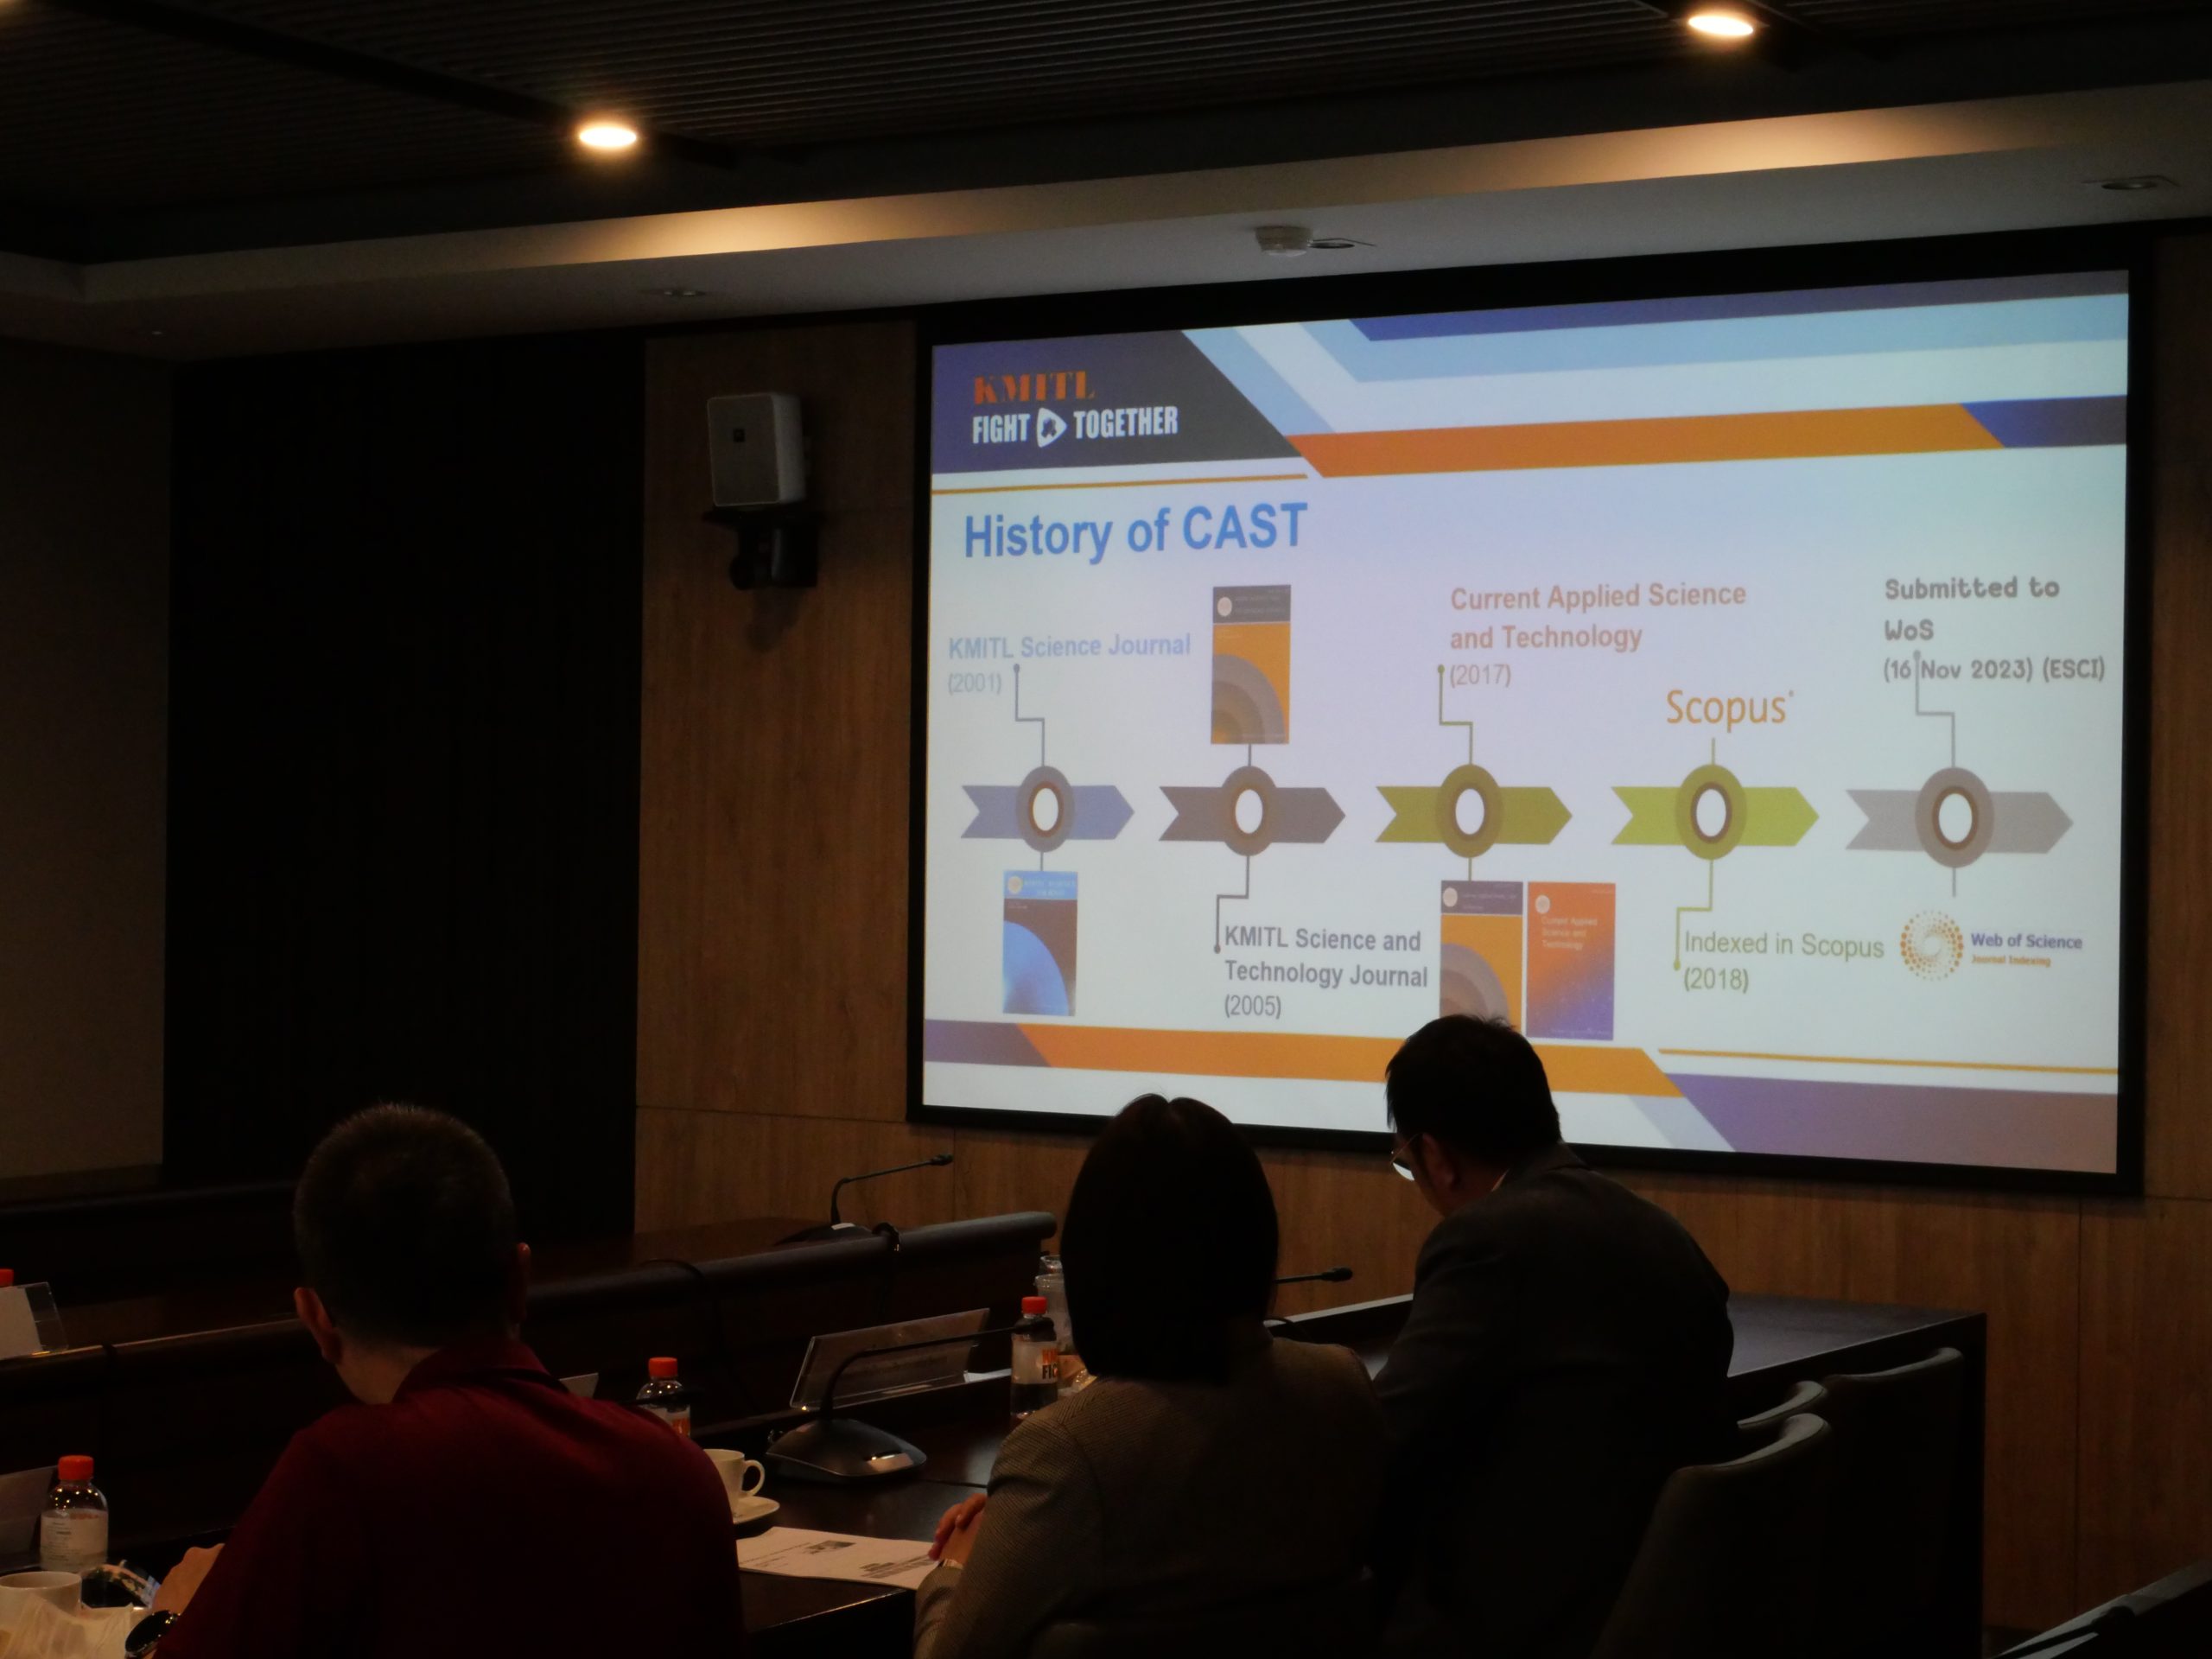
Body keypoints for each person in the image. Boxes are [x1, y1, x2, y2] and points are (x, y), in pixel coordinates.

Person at [134, 1105, 745, 1659]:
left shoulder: (346, 1472)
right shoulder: (677, 1470)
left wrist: (171, 1622)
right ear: (521, 1281)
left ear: (316, 1319)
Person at [913, 1094, 1385, 1659]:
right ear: (1257, 1242)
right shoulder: (1340, 1388)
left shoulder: (1067, 1451)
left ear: (1097, 1261)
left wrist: (956, 1567)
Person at [1373, 1015, 1735, 1659]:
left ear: (1437, 1157)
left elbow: (1387, 1440)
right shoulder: (1662, 1230)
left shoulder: (1485, 1240)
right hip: (1667, 1605)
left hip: (1529, 1620)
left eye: (1409, 1164)